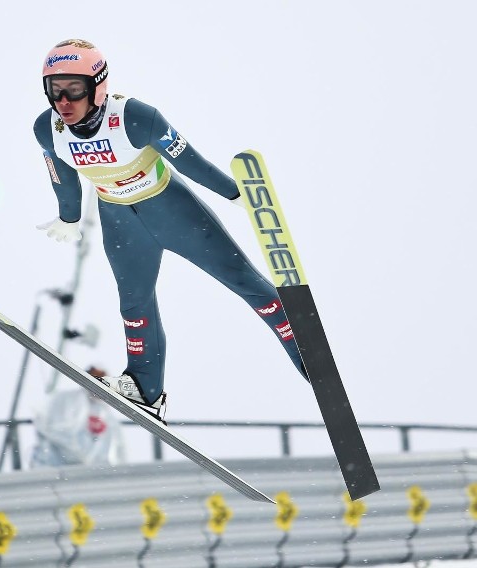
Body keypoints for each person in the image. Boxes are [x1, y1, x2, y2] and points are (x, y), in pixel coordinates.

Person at [34, 39, 308, 420]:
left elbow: (190, 160)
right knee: (134, 305)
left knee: (242, 280)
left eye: (74, 89)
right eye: (55, 90)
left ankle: (306, 351)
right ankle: (146, 388)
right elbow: (63, 178)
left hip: (171, 210)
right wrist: (68, 217)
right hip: (120, 222)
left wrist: (234, 192)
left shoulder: (135, 117)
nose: (64, 101)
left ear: (97, 85)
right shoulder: (48, 129)